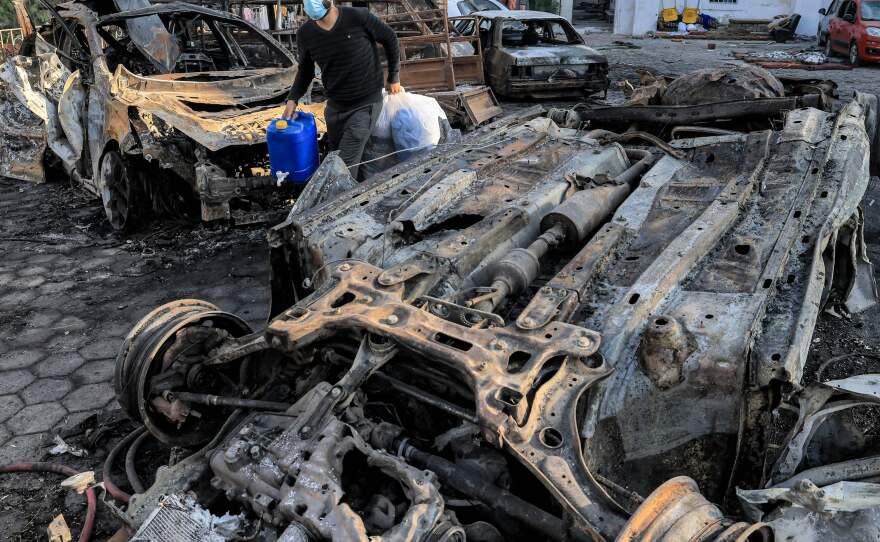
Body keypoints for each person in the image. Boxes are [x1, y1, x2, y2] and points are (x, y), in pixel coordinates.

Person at [283, 0, 402, 180]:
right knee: (337, 158)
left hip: (365, 104)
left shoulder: (357, 17)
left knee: (342, 168)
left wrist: (394, 76)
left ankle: (338, 204)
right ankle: (360, 194)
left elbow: (390, 38)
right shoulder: (305, 33)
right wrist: (293, 99)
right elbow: (305, 70)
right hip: (335, 108)